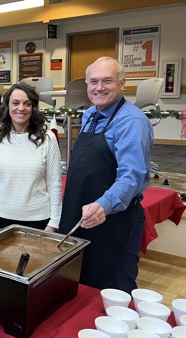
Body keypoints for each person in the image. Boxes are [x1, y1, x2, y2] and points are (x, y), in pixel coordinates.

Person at [59, 56, 154, 293]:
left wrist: (103, 205)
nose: (99, 88)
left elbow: (131, 177)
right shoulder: (90, 114)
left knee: (111, 289)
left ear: (122, 84)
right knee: (76, 282)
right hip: (80, 214)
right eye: (93, 82)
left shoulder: (131, 121)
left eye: (107, 81)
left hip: (112, 220)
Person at [0, 83, 62, 235]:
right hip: (0, 219)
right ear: (7, 106)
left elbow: (55, 183)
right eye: (15, 103)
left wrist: (54, 221)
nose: (21, 108)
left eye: (27, 104)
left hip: (39, 220)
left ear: (33, 107)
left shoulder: (48, 139)